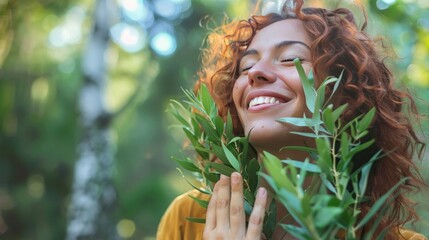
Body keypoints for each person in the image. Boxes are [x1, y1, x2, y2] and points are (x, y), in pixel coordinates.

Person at [157, 0, 427, 239]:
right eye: (246, 66)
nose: (256, 73)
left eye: (290, 59)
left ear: (346, 93)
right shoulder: (188, 218)